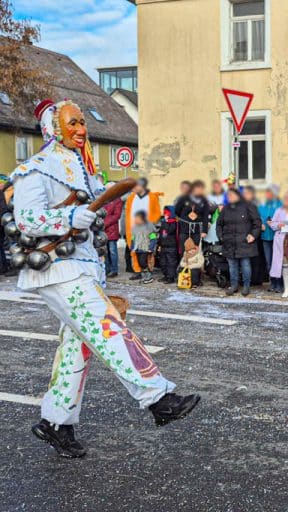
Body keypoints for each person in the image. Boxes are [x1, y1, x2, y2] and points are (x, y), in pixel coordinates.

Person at [12, 99, 198, 458]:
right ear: (53, 127)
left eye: (83, 122)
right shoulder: (33, 170)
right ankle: (157, 398)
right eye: (73, 123)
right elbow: (26, 220)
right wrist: (69, 219)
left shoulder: (82, 169)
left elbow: (92, 207)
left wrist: (87, 210)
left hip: (83, 267)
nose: (82, 130)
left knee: (77, 344)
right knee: (108, 328)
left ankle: (55, 422)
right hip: (56, 268)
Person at [216, 188, 262, 297]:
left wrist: (253, 235)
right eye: (228, 196)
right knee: (232, 265)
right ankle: (234, 286)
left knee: (245, 264)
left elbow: (257, 222)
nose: (229, 197)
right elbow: (219, 224)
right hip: (229, 242)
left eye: (231, 195)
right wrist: (221, 236)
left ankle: (246, 286)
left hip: (244, 242)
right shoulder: (226, 209)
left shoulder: (248, 206)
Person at [124, 178, 163, 274]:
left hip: (146, 229)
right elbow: (127, 213)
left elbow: (156, 213)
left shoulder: (151, 197)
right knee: (134, 251)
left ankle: (147, 272)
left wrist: (152, 226)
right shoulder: (131, 198)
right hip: (133, 229)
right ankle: (137, 271)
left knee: (146, 252)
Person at [258, 185, 283, 292]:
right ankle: (273, 283)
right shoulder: (262, 205)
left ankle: (280, 284)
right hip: (265, 237)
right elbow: (257, 218)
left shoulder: (281, 205)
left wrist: (274, 224)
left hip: (278, 237)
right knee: (269, 263)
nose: (268, 195)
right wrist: (260, 225)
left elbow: (285, 219)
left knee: (279, 262)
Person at [241, 186, 267, 289]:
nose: (244, 195)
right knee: (250, 258)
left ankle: (257, 279)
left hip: (256, 233)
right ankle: (251, 278)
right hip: (247, 233)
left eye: (247, 193)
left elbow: (259, 218)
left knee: (257, 258)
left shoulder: (256, 204)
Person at [175, 180, 211, 250]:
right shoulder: (184, 198)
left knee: (195, 250)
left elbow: (205, 217)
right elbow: (177, 211)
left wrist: (204, 231)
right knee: (184, 250)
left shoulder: (204, 201)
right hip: (185, 229)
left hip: (197, 230)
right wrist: (184, 219)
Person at [130, 211, 158, 284]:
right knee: (140, 263)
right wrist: (132, 247)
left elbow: (153, 238)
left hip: (145, 248)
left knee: (143, 262)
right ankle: (144, 276)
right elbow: (133, 238)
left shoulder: (148, 227)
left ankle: (149, 276)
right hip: (138, 248)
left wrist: (151, 248)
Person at [102, 182, 123, 278]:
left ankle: (114, 270)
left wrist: (105, 223)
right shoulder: (104, 199)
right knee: (105, 251)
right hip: (103, 229)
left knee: (113, 250)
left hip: (111, 229)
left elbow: (116, 215)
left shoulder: (117, 200)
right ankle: (107, 269)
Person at [157, 206, 180, 284]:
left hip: (171, 246)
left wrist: (166, 222)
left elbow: (169, 231)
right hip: (163, 246)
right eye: (164, 212)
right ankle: (166, 276)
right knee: (163, 263)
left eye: (167, 213)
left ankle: (171, 278)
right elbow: (161, 234)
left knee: (171, 263)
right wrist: (159, 245)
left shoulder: (174, 223)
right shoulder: (164, 222)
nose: (165, 214)